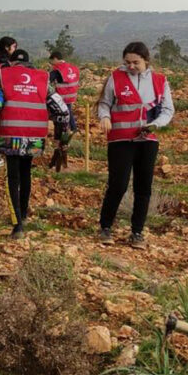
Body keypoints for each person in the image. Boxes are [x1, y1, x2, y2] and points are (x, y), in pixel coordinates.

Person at [0, 49, 71, 240]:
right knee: (26, 173)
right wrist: (60, 138)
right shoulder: (43, 78)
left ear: (11, 63)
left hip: (10, 135)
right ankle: (23, 215)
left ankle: (17, 225)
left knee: (12, 178)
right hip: (35, 136)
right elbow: (62, 111)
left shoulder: (3, 76)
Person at [96, 42, 175, 249]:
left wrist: (155, 124)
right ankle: (105, 227)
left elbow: (167, 110)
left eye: (135, 63)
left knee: (143, 187)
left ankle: (137, 232)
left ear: (146, 61)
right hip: (120, 140)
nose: (131, 66)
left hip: (147, 140)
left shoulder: (160, 81)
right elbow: (104, 102)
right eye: (127, 62)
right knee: (118, 184)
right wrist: (104, 117)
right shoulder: (115, 78)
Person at [49, 51, 80, 131]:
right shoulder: (72, 67)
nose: (52, 63)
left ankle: (71, 129)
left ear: (55, 58)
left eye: (52, 61)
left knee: (65, 113)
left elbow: (48, 79)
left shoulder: (58, 70)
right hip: (72, 95)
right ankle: (72, 129)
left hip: (63, 96)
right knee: (69, 111)